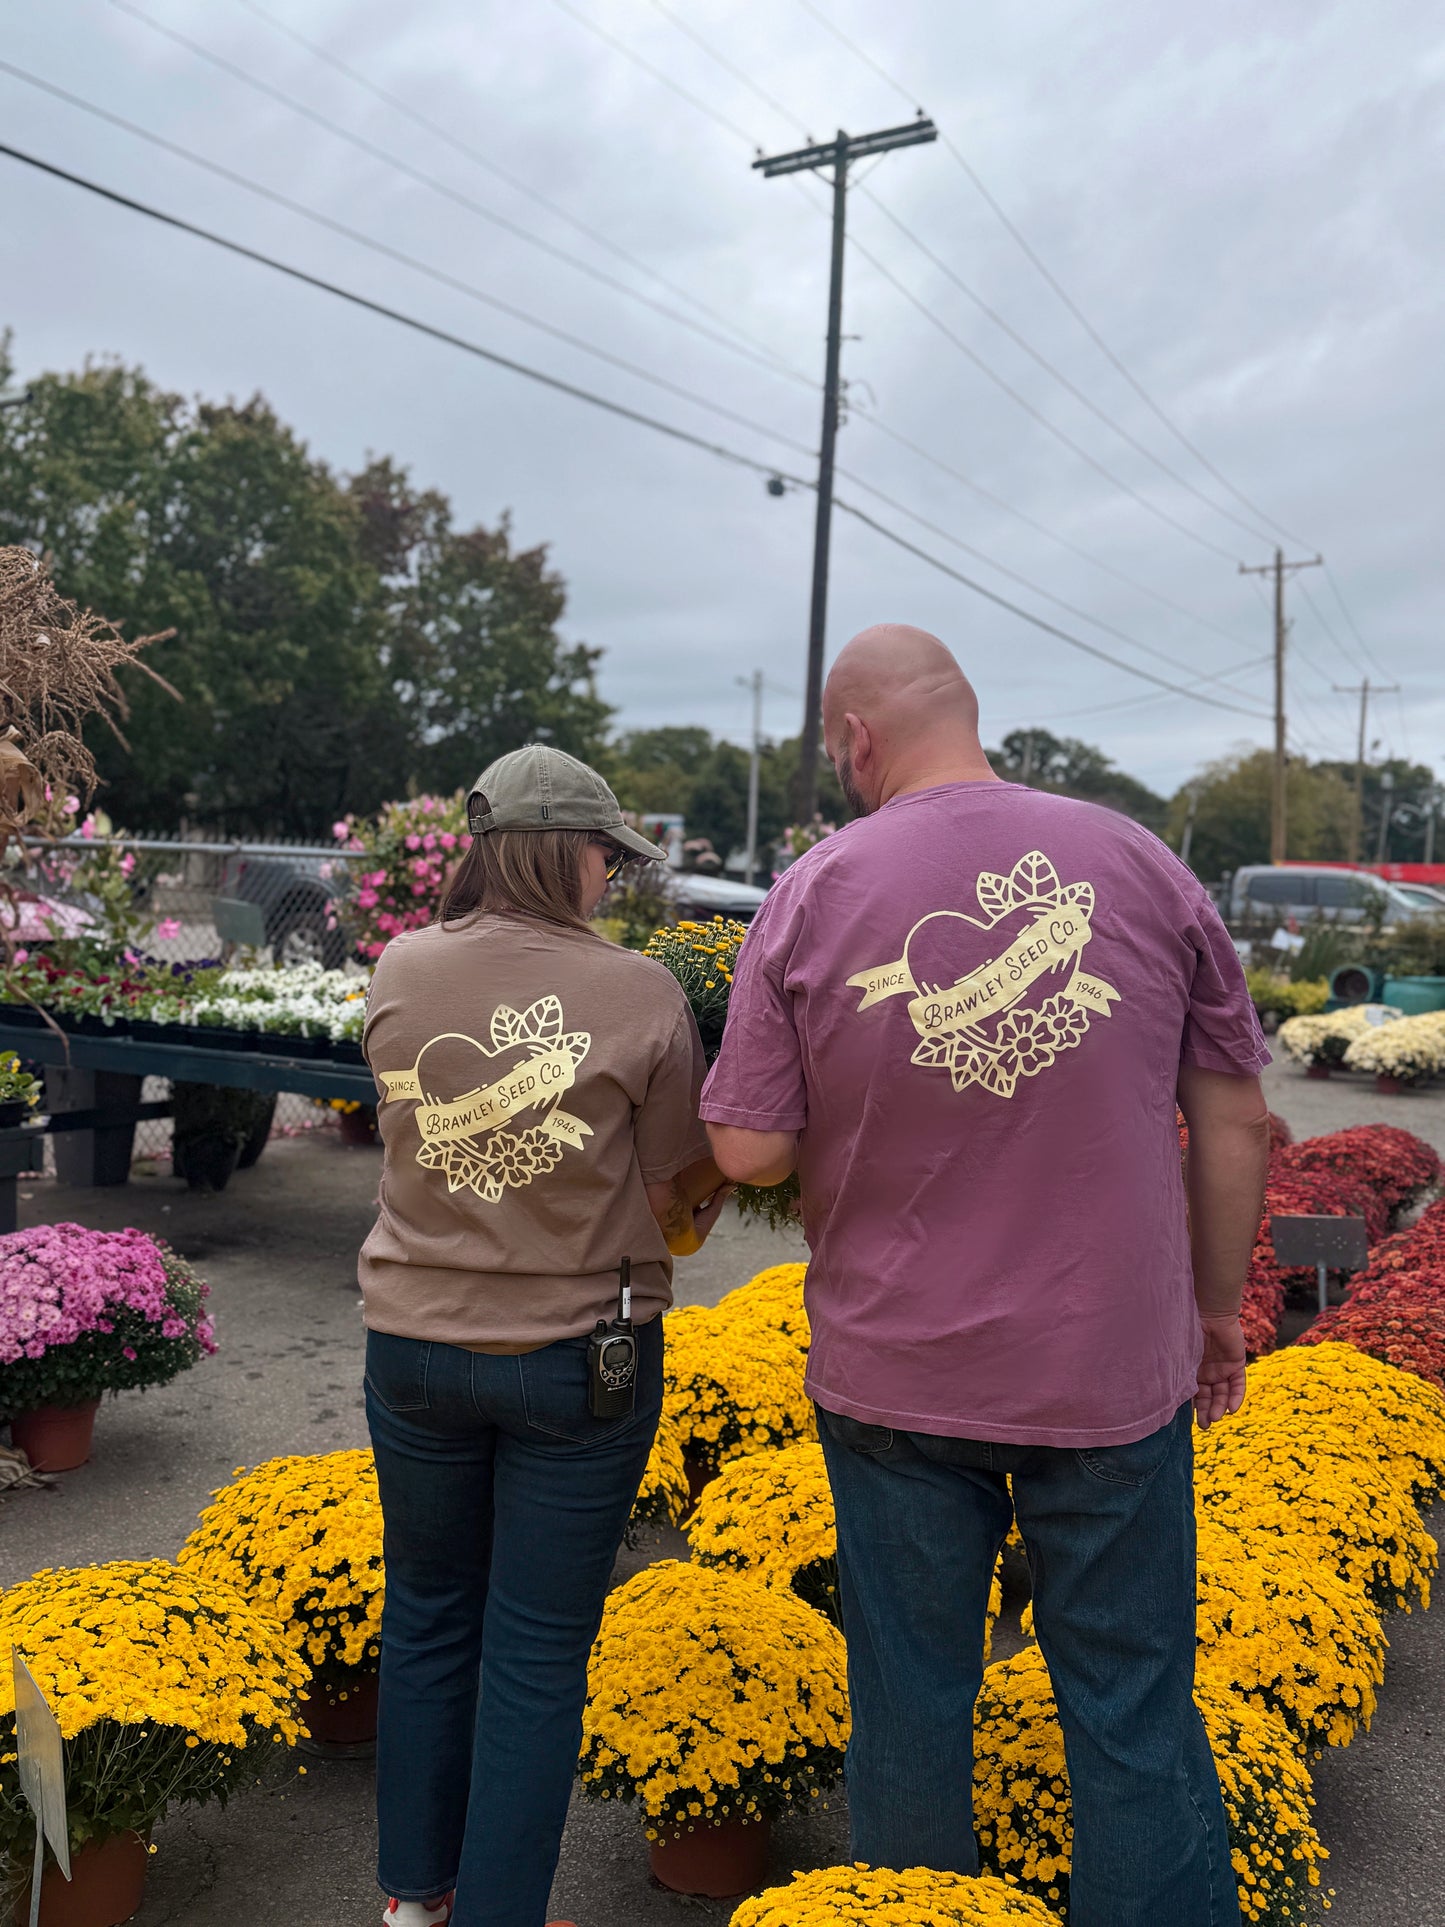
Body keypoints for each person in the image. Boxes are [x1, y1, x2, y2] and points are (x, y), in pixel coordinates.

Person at [701, 625, 1270, 1927]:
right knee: (1128, 1704)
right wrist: (1213, 1315)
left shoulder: (813, 887)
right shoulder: (1142, 862)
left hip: (895, 1368)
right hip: (1109, 1372)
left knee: (909, 1700)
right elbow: (1234, 1116)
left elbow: (748, 1145)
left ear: (855, 738)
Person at [360, 744, 730, 1927]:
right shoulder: (639, 992)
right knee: (532, 1647)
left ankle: (416, 1901)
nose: (612, 879)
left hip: (410, 1340)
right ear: (571, 851)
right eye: (607, 856)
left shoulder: (401, 965)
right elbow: (679, 1193)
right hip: (580, 1356)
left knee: (424, 1612)